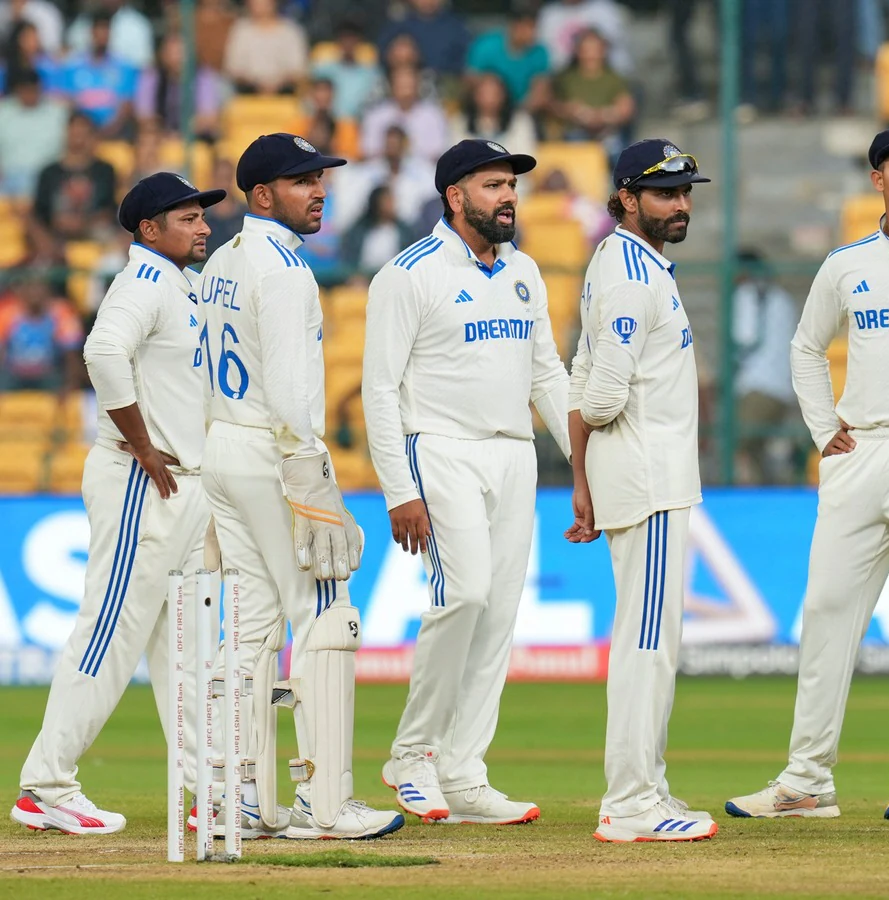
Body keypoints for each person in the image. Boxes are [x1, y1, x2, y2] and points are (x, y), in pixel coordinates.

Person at [725, 123, 889, 823]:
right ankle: (806, 781)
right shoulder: (846, 264)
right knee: (824, 613)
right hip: (859, 452)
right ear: (877, 179)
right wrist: (823, 432)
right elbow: (805, 347)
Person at [198, 132, 401, 840]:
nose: (319, 191)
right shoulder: (283, 270)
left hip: (224, 442)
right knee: (327, 619)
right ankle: (327, 804)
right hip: (274, 453)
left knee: (251, 630)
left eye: (321, 179)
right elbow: (289, 395)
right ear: (262, 195)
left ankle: (243, 799)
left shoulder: (223, 259)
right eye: (301, 181)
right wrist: (313, 479)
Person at [365, 139, 570, 825]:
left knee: (498, 615)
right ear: (455, 196)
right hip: (442, 448)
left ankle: (464, 769)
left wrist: (585, 466)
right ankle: (413, 755)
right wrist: (399, 488)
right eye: (492, 185)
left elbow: (547, 375)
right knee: (465, 594)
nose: (508, 196)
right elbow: (379, 389)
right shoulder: (408, 273)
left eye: (511, 185)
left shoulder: (525, 272)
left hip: (515, 454)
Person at [9, 173, 222, 835]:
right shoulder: (144, 283)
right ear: (149, 230)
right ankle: (46, 785)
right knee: (109, 630)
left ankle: (204, 788)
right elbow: (102, 352)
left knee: (183, 645)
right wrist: (146, 447)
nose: (204, 227)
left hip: (182, 484)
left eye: (201, 217)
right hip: (143, 480)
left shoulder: (180, 285)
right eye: (188, 218)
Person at [567, 139, 716, 842]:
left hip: (636, 476)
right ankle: (631, 803)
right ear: (627, 198)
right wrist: (593, 457)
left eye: (686, 192)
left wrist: (582, 474)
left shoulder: (623, 261)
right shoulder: (632, 274)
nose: (680, 204)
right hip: (649, 480)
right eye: (664, 193)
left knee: (646, 641)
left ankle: (643, 790)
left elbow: (579, 366)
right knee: (647, 645)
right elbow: (598, 394)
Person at [726, 248, 798, 485]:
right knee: (757, 451)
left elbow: (743, 337)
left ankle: (742, 498)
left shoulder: (746, 294)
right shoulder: (782, 298)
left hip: (756, 386)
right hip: (782, 389)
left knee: (733, 447)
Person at [52, 9, 138, 138]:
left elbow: (126, 107)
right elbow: (68, 103)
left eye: (106, 30)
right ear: (91, 32)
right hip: (80, 135)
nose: (102, 35)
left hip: (115, 135)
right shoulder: (72, 67)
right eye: (99, 29)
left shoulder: (125, 67)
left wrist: (105, 133)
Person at [550, 30, 634, 157]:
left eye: (595, 49)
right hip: (574, 133)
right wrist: (570, 110)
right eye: (586, 50)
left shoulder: (614, 78)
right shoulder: (565, 78)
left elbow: (626, 109)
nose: (590, 55)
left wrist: (605, 116)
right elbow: (552, 104)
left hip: (607, 134)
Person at [464, 1, 549, 110]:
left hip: (522, 111)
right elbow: (471, 80)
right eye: (529, 28)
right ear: (516, 26)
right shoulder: (486, 45)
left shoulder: (540, 52)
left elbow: (540, 90)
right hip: (486, 107)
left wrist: (518, 113)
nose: (533, 34)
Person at [0, 67, 69, 200]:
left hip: (49, 180)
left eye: (33, 90)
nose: (30, 94)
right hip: (8, 179)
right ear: (17, 90)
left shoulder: (58, 113)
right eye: (25, 90)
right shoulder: (3, 112)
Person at [222, 0, 307, 96]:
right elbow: (233, 68)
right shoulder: (240, 31)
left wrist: (275, 85)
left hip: (284, 94)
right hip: (248, 93)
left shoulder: (291, 31)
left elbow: (298, 70)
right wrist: (257, 84)